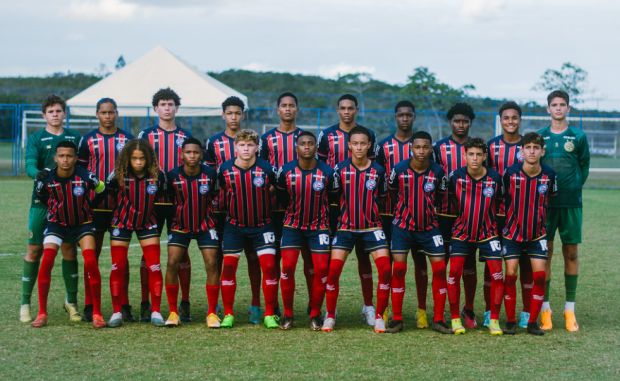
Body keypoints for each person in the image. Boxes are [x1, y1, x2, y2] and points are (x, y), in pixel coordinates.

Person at [321, 126, 391, 333]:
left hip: (372, 227)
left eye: (363, 143)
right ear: (349, 145)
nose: (359, 147)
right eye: (355, 143)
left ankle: (378, 315)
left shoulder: (378, 171)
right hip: (345, 228)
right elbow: (333, 198)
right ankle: (331, 315)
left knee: (385, 270)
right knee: (333, 272)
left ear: (369, 145)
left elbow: (383, 197)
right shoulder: (340, 170)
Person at [317, 94, 378, 326]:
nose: (346, 112)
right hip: (334, 205)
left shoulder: (368, 134)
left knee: (365, 256)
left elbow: (374, 166)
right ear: (337, 110)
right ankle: (328, 310)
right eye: (342, 108)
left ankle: (368, 306)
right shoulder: (327, 135)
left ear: (357, 110)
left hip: (362, 205)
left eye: (350, 108)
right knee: (333, 260)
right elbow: (322, 164)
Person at [31, 141, 106, 328]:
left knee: (90, 261)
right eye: (62, 156)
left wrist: (90, 204)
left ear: (75, 158)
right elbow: (41, 197)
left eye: (69, 156)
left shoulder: (86, 176)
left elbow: (102, 189)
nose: (65, 159)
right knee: (47, 259)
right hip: (57, 224)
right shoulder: (46, 178)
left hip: (83, 224)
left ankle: (97, 313)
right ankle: (42, 313)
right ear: (56, 158)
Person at [20, 95, 82, 323]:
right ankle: (25, 303)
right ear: (44, 115)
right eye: (51, 111)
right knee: (34, 250)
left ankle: (71, 302)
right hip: (41, 203)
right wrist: (39, 175)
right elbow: (29, 164)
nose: (55, 114)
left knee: (68, 250)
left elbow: (82, 166)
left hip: (68, 203)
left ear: (64, 113)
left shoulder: (74, 138)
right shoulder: (37, 138)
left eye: (59, 111)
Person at [204, 96, 263, 324]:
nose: (233, 117)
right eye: (229, 113)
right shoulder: (213, 142)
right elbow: (209, 177)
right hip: (222, 210)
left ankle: (256, 304)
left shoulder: (254, 140)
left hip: (251, 210)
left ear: (242, 115)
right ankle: (218, 304)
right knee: (221, 258)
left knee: (253, 258)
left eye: (237, 113)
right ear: (223, 115)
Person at [387, 131, 451, 334]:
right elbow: (391, 192)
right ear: (411, 148)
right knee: (398, 269)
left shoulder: (438, 172)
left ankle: (439, 319)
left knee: (440, 270)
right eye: (417, 147)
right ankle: (397, 319)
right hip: (402, 227)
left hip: (430, 228)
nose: (421, 151)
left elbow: (440, 199)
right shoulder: (398, 170)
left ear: (431, 149)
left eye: (425, 147)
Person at [78, 97, 135, 322]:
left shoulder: (128, 139)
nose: (108, 116)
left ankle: (124, 304)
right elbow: (80, 170)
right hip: (93, 206)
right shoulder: (88, 140)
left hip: (121, 206)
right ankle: (89, 304)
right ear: (97, 114)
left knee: (121, 258)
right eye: (104, 112)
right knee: (92, 256)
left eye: (111, 112)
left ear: (117, 113)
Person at [138, 88, 193, 322]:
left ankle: (185, 302)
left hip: (178, 202)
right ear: (156, 109)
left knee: (181, 253)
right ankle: (144, 302)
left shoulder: (185, 137)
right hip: (151, 201)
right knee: (147, 254)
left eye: (171, 104)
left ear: (177, 108)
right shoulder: (146, 135)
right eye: (162, 104)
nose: (167, 108)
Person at [537, 90, 590, 332]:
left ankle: (569, 309)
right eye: (554, 105)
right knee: (545, 254)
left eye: (562, 105)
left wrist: (574, 186)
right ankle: (545, 309)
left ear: (568, 108)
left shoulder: (578, 136)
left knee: (571, 253)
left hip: (571, 204)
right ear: (548, 109)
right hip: (545, 204)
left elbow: (584, 166)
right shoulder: (540, 137)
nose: (558, 108)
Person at [218, 129, 280, 329]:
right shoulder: (225, 169)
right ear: (235, 147)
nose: (246, 149)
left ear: (256, 147)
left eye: (250, 145)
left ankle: (269, 314)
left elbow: (274, 192)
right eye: (242, 145)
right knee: (228, 267)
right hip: (234, 226)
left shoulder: (267, 169)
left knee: (269, 267)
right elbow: (220, 195)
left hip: (263, 226)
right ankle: (228, 313)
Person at [376, 100, 430, 329]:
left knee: (420, 262)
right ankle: (387, 309)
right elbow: (378, 175)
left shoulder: (424, 146)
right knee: (390, 265)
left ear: (414, 117)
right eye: (401, 115)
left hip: (418, 215)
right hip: (390, 215)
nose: (405, 119)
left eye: (409, 115)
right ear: (395, 117)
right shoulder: (384, 145)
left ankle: (421, 310)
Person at [260, 92, 313, 315]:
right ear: (278, 110)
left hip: (305, 207)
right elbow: (261, 168)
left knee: (310, 259)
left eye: (292, 105)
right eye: (284, 106)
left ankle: (314, 304)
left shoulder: (307, 138)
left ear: (297, 109)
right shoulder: (267, 139)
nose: (288, 109)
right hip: (275, 208)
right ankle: (274, 307)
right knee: (276, 261)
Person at [276, 131, 334, 330]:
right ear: (296, 148)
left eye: (310, 143)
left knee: (320, 270)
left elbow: (333, 199)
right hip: (292, 226)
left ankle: (315, 313)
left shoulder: (327, 172)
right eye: (303, 143)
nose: (307, 146)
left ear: (316, 147)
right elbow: (282, 198)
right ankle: (288, 313)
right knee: (288, 268)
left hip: (319, 227)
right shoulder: (285, 171)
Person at [446, 137, 504, 335]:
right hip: (461, 232)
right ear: (464, 155)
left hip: (488, 233)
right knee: (454, 274)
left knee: (497, 274)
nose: (475, 158)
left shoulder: (495, 178)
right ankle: (455, 318)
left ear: (484, 156)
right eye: (471, 154)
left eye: (479, 154)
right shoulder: (455, 177)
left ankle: (494, 319)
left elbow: (501, 204)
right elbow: (448, 203)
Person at [105, 139, 165, 327]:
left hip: (148, 223)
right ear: (127, 159)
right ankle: (117, 312)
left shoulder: (158, 176)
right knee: (118, 267)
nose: (138, 162)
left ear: (149, 159)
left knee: (154, 266)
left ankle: (155, 310)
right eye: (134, 158)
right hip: (121, 222)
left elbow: (163, 201)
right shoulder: (117, 176)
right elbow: (109, 199)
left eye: (142, 158)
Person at [502, 132, 557, 335]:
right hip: (512, 234)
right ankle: (510, 321)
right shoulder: (510, 173)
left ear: (542, 151)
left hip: (537, 235)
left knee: (540, 276)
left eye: (536, 148)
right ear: (522, 151)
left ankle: (533, 322)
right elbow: (503, 200)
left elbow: (550, 200)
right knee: (510, 274)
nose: (532, 151)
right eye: (528, 147)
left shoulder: (549, 175)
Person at [485, 101, 532, 329]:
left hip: (521, 213)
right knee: (492, 263)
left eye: (514, 118)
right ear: (500, 120)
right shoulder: (491, 146)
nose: (510, 122)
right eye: (506, 118)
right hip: (495, 212)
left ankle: (525, 312)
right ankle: (488, 311)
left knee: (523, 263)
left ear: (519, 120)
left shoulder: (528, 146)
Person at [164, 138, 220, 328]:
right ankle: (173, 312)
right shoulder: (172, 176)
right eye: (188, 152)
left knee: (212, 263)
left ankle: (212, 312)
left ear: (201, 154)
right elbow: (169, 201)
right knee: (172, 263)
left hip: (206, 225)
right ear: (182, 154)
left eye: (196, 152)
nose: (192, 156)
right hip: (180, 226)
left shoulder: (211, 174)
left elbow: (215, 196)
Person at [433, 102, 479, 329]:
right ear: (450, 122)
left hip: (470, 216)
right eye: (457, 121)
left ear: (470, 123)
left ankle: (468, 308)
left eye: (465, 121)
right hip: (443, 215)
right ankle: (442, 312)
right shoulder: (439, 148)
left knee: (468, 267)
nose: (461, 125)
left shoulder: (478, 149)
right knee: (443, 265)